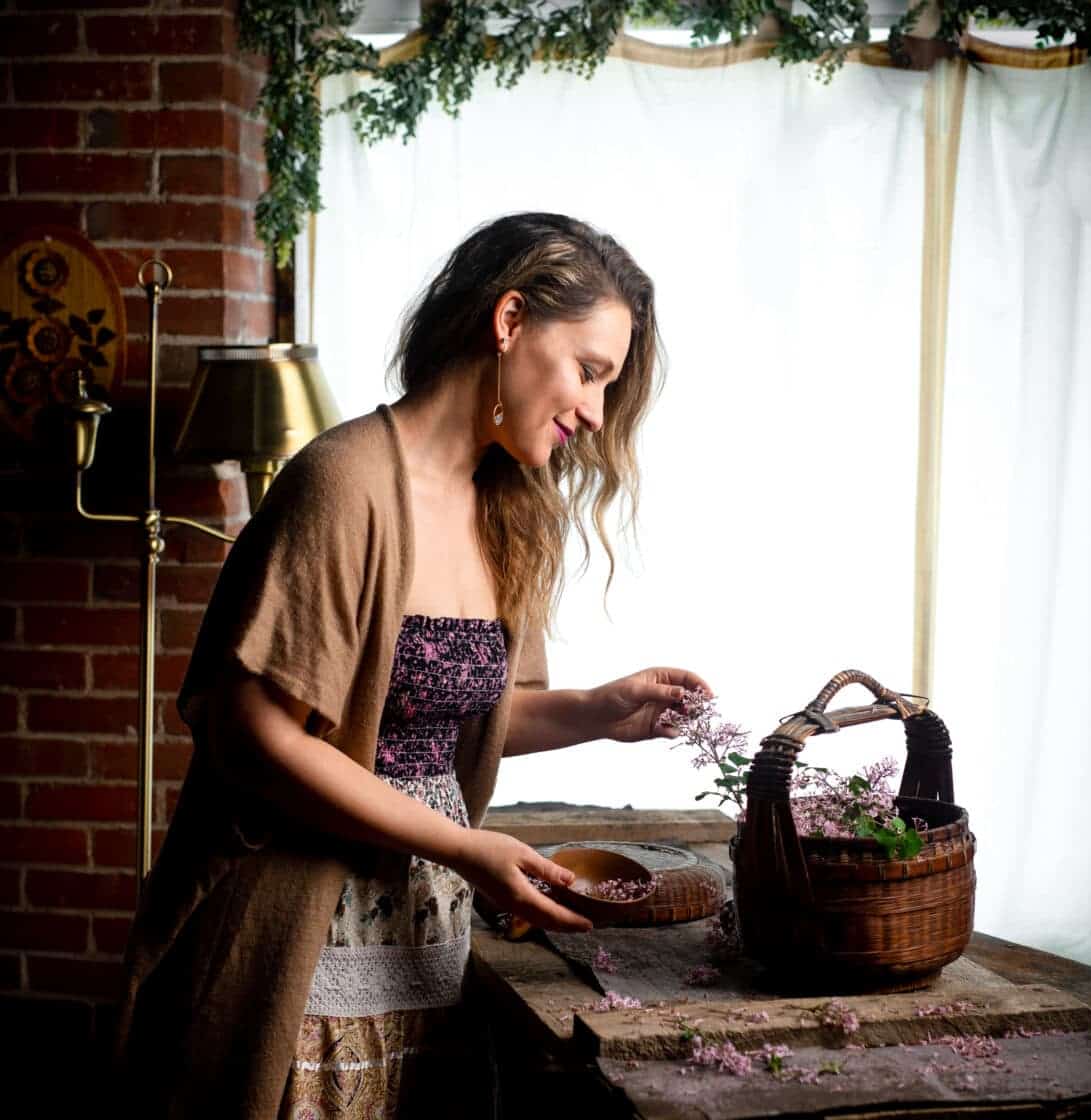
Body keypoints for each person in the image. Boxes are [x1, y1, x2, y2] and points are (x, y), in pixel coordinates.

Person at [112, 212, 710, 1118]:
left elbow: (450, 725)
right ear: (509, 322)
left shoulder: (511, 509)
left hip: (430, 932)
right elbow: (253, 732)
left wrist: (595, 709)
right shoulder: (341, 483)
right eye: (588, 371)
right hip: (305, 942)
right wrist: (465, 847)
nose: (593, 413)